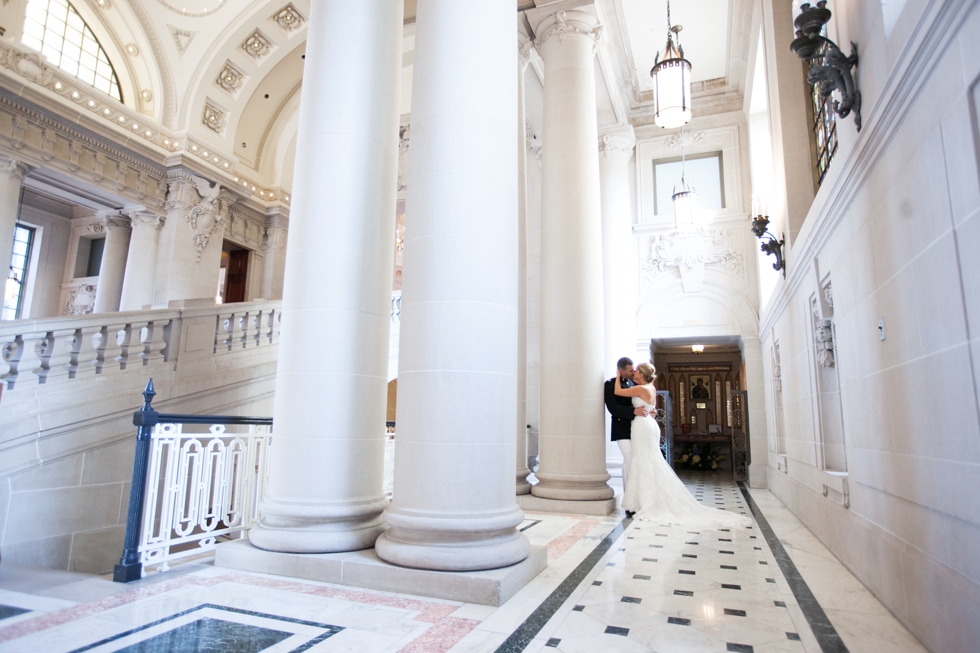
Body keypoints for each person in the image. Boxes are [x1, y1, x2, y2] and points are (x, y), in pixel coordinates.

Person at [614, 363, 751, 527]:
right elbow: (654, 408)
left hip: (643, 426)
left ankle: (646, 502)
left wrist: (617, 375)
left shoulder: (641, 389)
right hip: (648, 424)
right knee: (648, 461)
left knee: (643, 460)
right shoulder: (650, 388)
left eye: (636, 371)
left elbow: (618, 392)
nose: (634, 372)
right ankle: (645, 500)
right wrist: (653, 411)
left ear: (642, 374)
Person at [604, 357, 651, 515]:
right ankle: (629, 502)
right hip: (621, 429)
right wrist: (632, 412)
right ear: (621, 370)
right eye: (631, 370)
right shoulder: (610, 385)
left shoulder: (633, 384)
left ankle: (636, 499)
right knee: (629, 462)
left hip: (636, 428)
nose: (633, 373)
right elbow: (613, 408)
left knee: (634, 462)